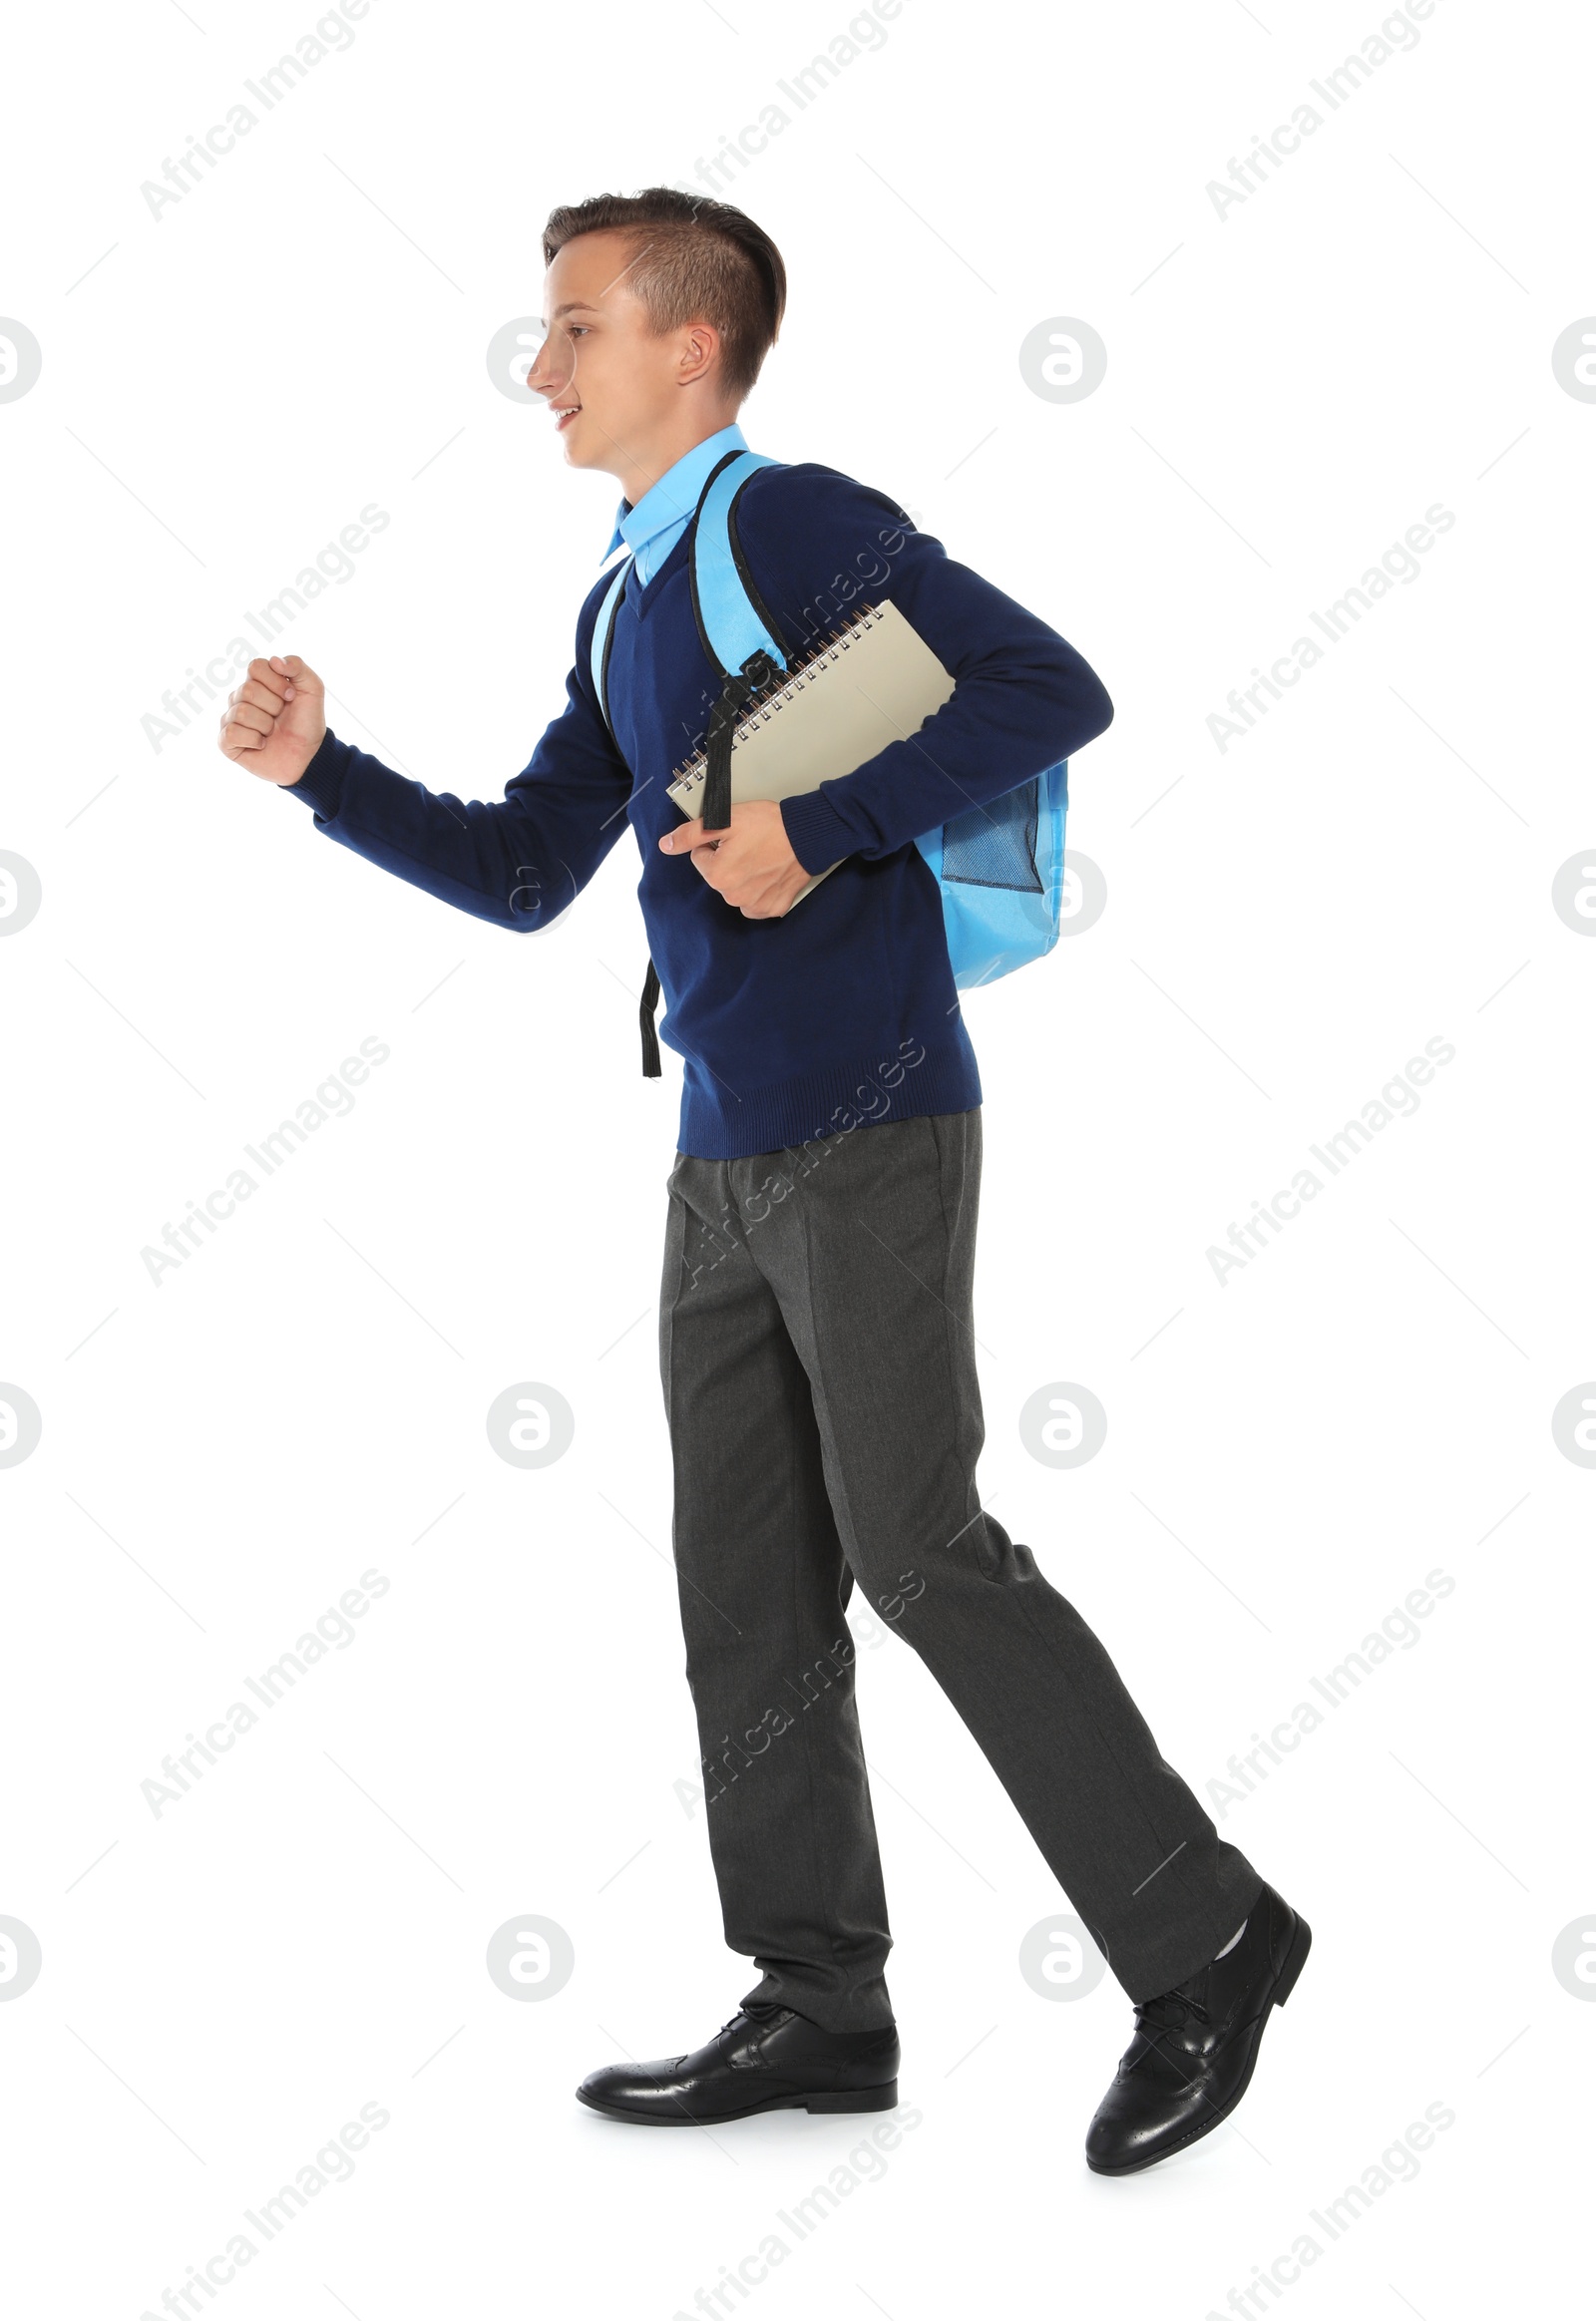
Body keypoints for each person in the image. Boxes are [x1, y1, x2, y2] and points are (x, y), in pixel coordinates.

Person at [217, 187, 1309, 2174]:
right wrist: (324, 779)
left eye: (573, 330)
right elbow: (529, 869)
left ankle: (1206, 1933)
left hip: (868, 1124)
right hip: (719, 1152)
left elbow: (1044, 680)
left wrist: (813, 819)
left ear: (687, 347)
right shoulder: (626, 592)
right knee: (745, 1584)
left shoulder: (783, 526)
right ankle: (820, 1998)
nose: (539, 369)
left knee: (915, 1553)